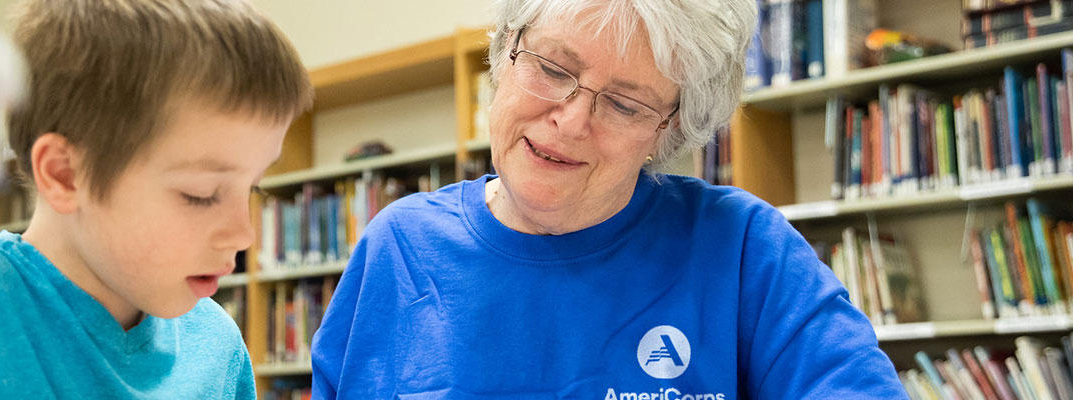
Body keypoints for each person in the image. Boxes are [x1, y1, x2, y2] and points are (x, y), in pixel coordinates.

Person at [309, 0, 905, 398]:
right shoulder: (399, 244)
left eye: (624, 104)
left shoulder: (743, 247)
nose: (570, 121)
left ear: (668, 130)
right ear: (505, 53)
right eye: (549, 67)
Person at [0, 0, 311, 398]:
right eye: (201, 194)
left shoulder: (217, 343)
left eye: (253, 187)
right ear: (64, 174)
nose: (243, 234)